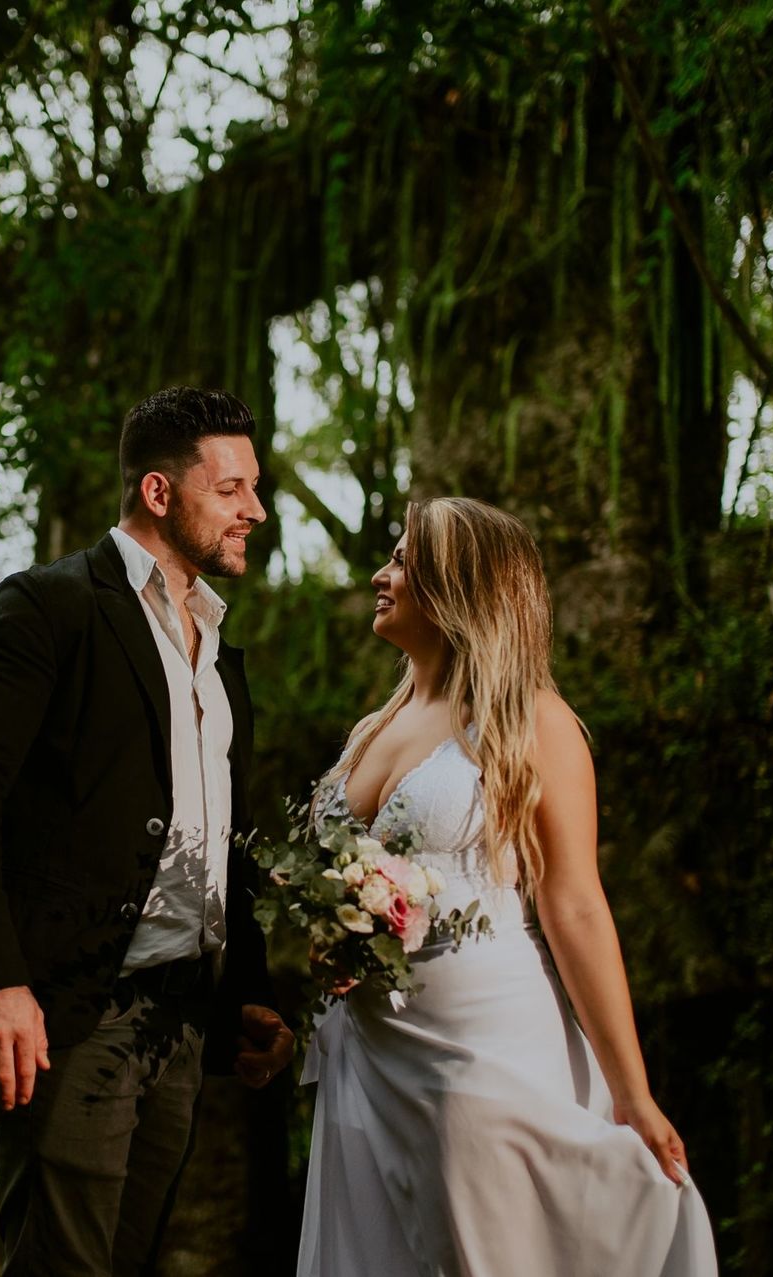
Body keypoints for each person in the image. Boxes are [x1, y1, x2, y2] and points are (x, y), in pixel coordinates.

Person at [0, 386, 294, 1276]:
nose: (257, 509)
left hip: (181, 1020)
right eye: (232, 488)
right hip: (72, 1013)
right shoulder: (46, 608)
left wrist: (246, 986)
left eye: (255, 486)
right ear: (160, 493)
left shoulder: (221, 654)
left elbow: (215, 840)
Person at [296, 496, 718, 1276]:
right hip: (369, 1063)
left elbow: (576, 903)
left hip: (483, 1055)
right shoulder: (369, 730)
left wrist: (633, 1092)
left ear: (459, 588)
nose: (379, 575)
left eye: (402, 562)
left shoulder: (533, 720)